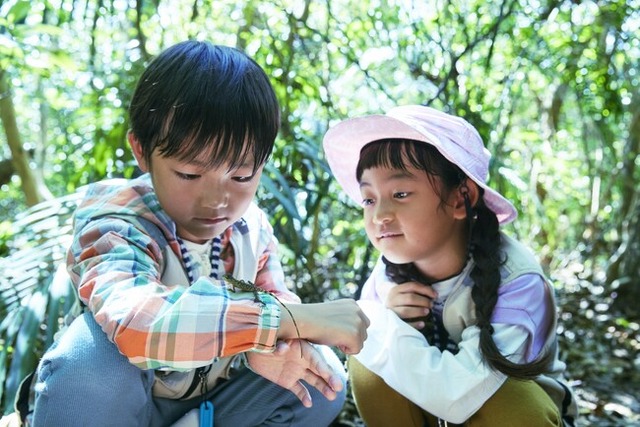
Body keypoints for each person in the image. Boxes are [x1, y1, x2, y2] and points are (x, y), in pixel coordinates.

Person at [30, 40, 369, 427]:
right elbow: (135, 321)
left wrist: (276, 346)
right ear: (141, 151)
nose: (217, 199)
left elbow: (277, 301)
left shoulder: (251, 230)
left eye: (241, 176)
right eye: (189, 174)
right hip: (121, 408)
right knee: (90, 363)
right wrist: (279, 321)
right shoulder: (116, 220)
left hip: (210, 408)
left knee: (318, 379)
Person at [322, 105, 578, 427]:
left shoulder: (518, 281)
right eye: (369, 199)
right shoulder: (388, 273)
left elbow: (460, 393)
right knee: (366, 353)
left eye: (400, 193)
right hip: (432, 412)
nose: (379, 215)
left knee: (511, 395)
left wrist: (382, 323)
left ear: (460, 198)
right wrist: (385, 316)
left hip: (510, 416)